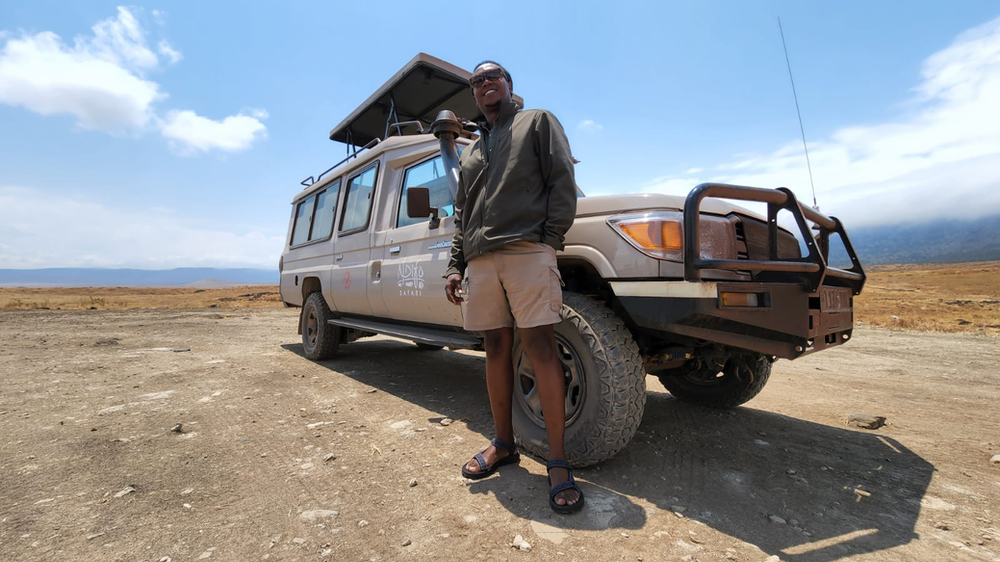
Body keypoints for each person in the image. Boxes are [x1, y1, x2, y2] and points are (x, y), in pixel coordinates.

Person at [443, 60, 582, 514]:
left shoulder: (536, 122)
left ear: (508, 84)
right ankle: (503, 444)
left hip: (527, 251)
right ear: (474, 95)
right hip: (481, 262)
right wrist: (455, 265)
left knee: (540, 347)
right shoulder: (471, 152)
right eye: (476, 81)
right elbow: (463, 214)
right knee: (496, 349)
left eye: (491, 77)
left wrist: (549, 241)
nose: (484, 85)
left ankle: (558, 461)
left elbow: (562, 180)